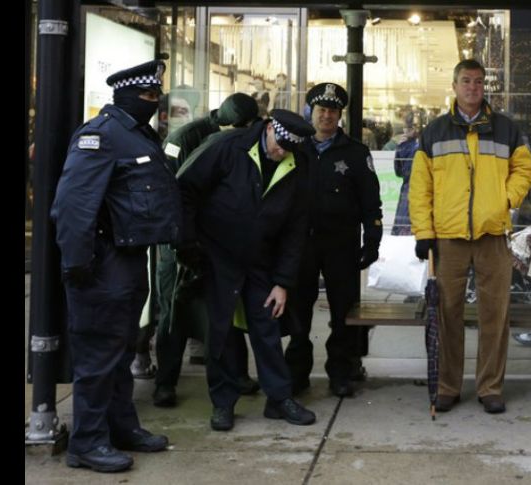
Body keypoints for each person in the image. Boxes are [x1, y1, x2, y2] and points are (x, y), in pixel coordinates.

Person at [51, 60, 180, 472]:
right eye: (147, 96)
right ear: (124, 95)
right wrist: (77, 264)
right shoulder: (101, 137)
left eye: (157, 95)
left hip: (128, 259)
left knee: (122, 350)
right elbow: (73, 206)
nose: (154, 102)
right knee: (97, 357)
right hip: (101, 263)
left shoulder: (134, 134)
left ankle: (121, 426)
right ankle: (86, 442)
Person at [177, 109, 317, 431]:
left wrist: (282, 282)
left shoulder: (298, 163)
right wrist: (187, 243)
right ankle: (223, 403)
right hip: (217, 255)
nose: (281, 151)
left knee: (266, 326)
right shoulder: (228, 147)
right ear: (269, 128)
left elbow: (296, 227)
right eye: (279, 143)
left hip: (261, 259)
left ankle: (279, 399)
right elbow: (185, 188)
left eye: (288, 148)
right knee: (221, 332)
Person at [409, 59, 531, 414]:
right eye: (466, 81)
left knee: (495, 314)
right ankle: (447, 386)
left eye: (479, 82)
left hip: (492, 235)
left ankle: (490, 387)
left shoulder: (505, 129)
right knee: (447, 313)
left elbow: (525, 170)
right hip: (448, 238)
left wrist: (504, 201)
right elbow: (420, 188)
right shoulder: (433, 132)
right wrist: (424, 232)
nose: (473, 88)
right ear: (454, 86)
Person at [153, 93, 262, 407]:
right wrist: (182, 242)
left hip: (217, 240)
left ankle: (236, 374)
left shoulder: (237, 137)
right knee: (174, 312)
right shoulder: (184, 138)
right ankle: (165, 382)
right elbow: (169, 190)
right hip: (180, 241)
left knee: (225, 310)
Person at [283, 82, 383, 398]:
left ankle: (341, 372)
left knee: (343, 314)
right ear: (311, 112)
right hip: (301, 246)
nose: (327, 116)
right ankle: (296, 373)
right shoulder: (295, 149)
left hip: (342, 245)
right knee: (298, 312)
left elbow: (371, 202)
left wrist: (373, 240)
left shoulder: (355, 152)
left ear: (340, 115)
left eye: (333, 111)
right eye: (321, 110)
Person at [390, 112, 420, 236]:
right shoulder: (424, 145)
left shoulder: (401, 146)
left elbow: (398, 172)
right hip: (420, 188)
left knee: (403, 225)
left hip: (407, 188)